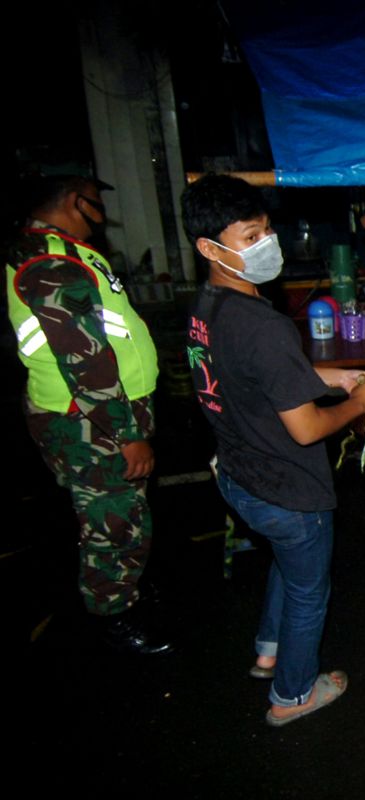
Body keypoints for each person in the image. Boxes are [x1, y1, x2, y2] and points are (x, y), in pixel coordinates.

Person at [181, 174, 365, 726]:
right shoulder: (264, 326)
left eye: (267, 230)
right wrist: (360, 404)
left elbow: (256, 377)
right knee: (308, 593)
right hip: (288, 490)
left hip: (238, 476)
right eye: (251, 237)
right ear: (209, 246)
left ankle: (268, 650)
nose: (267, 244)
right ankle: (291, 697)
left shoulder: (207, 308)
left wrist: (331, 375)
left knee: (286, 565)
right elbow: (306, 429)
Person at [6, 174, 172, 655]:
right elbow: (84, 358)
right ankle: (114, 614)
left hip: (99, 412)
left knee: (125, 512)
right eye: (97, 203)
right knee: (112, 519)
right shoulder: (50, 262)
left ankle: (126, 587)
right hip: (89, 419)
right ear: (76, 201)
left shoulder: (59, 250)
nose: (103, 215)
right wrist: (126, 434)